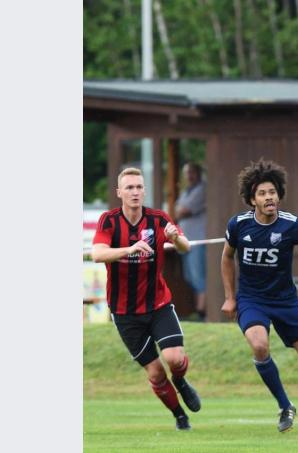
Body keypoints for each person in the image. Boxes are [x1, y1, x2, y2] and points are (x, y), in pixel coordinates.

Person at [220, 159, 298, 433]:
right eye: (263, 193)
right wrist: (230, 297)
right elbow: (227, 258)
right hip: (252, 300)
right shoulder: (239, 226)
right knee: (259, 345)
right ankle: (284, 405)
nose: (269, 197)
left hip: (286, 302)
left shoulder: (292, 225)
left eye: (273, 192)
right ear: (252, 199)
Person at [91, 167, 201, 431]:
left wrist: (176, 238)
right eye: (129, 187)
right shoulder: (108, 220)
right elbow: (97, 254)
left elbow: (185, 247)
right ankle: (179, 415)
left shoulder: (158, 219)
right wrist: (129, 249)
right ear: (119, 192)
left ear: (144, 191)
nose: (135, 192)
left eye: (139, 187)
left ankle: (182, 381)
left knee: (174, 359)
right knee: (155, 372)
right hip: (124, 312)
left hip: (158, 305)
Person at [175, 162, 207, 321]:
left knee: (198, 276)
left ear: (198, 173)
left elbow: (183, 211)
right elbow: (177, 211)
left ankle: (202, 312)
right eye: (187, 172)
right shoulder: (187, 191)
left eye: (192, 172)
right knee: (190, 277)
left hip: (198, 240)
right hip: (184, 240)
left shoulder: (202, 189)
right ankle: (198, 310)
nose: (189, 175)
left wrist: (179, 211)